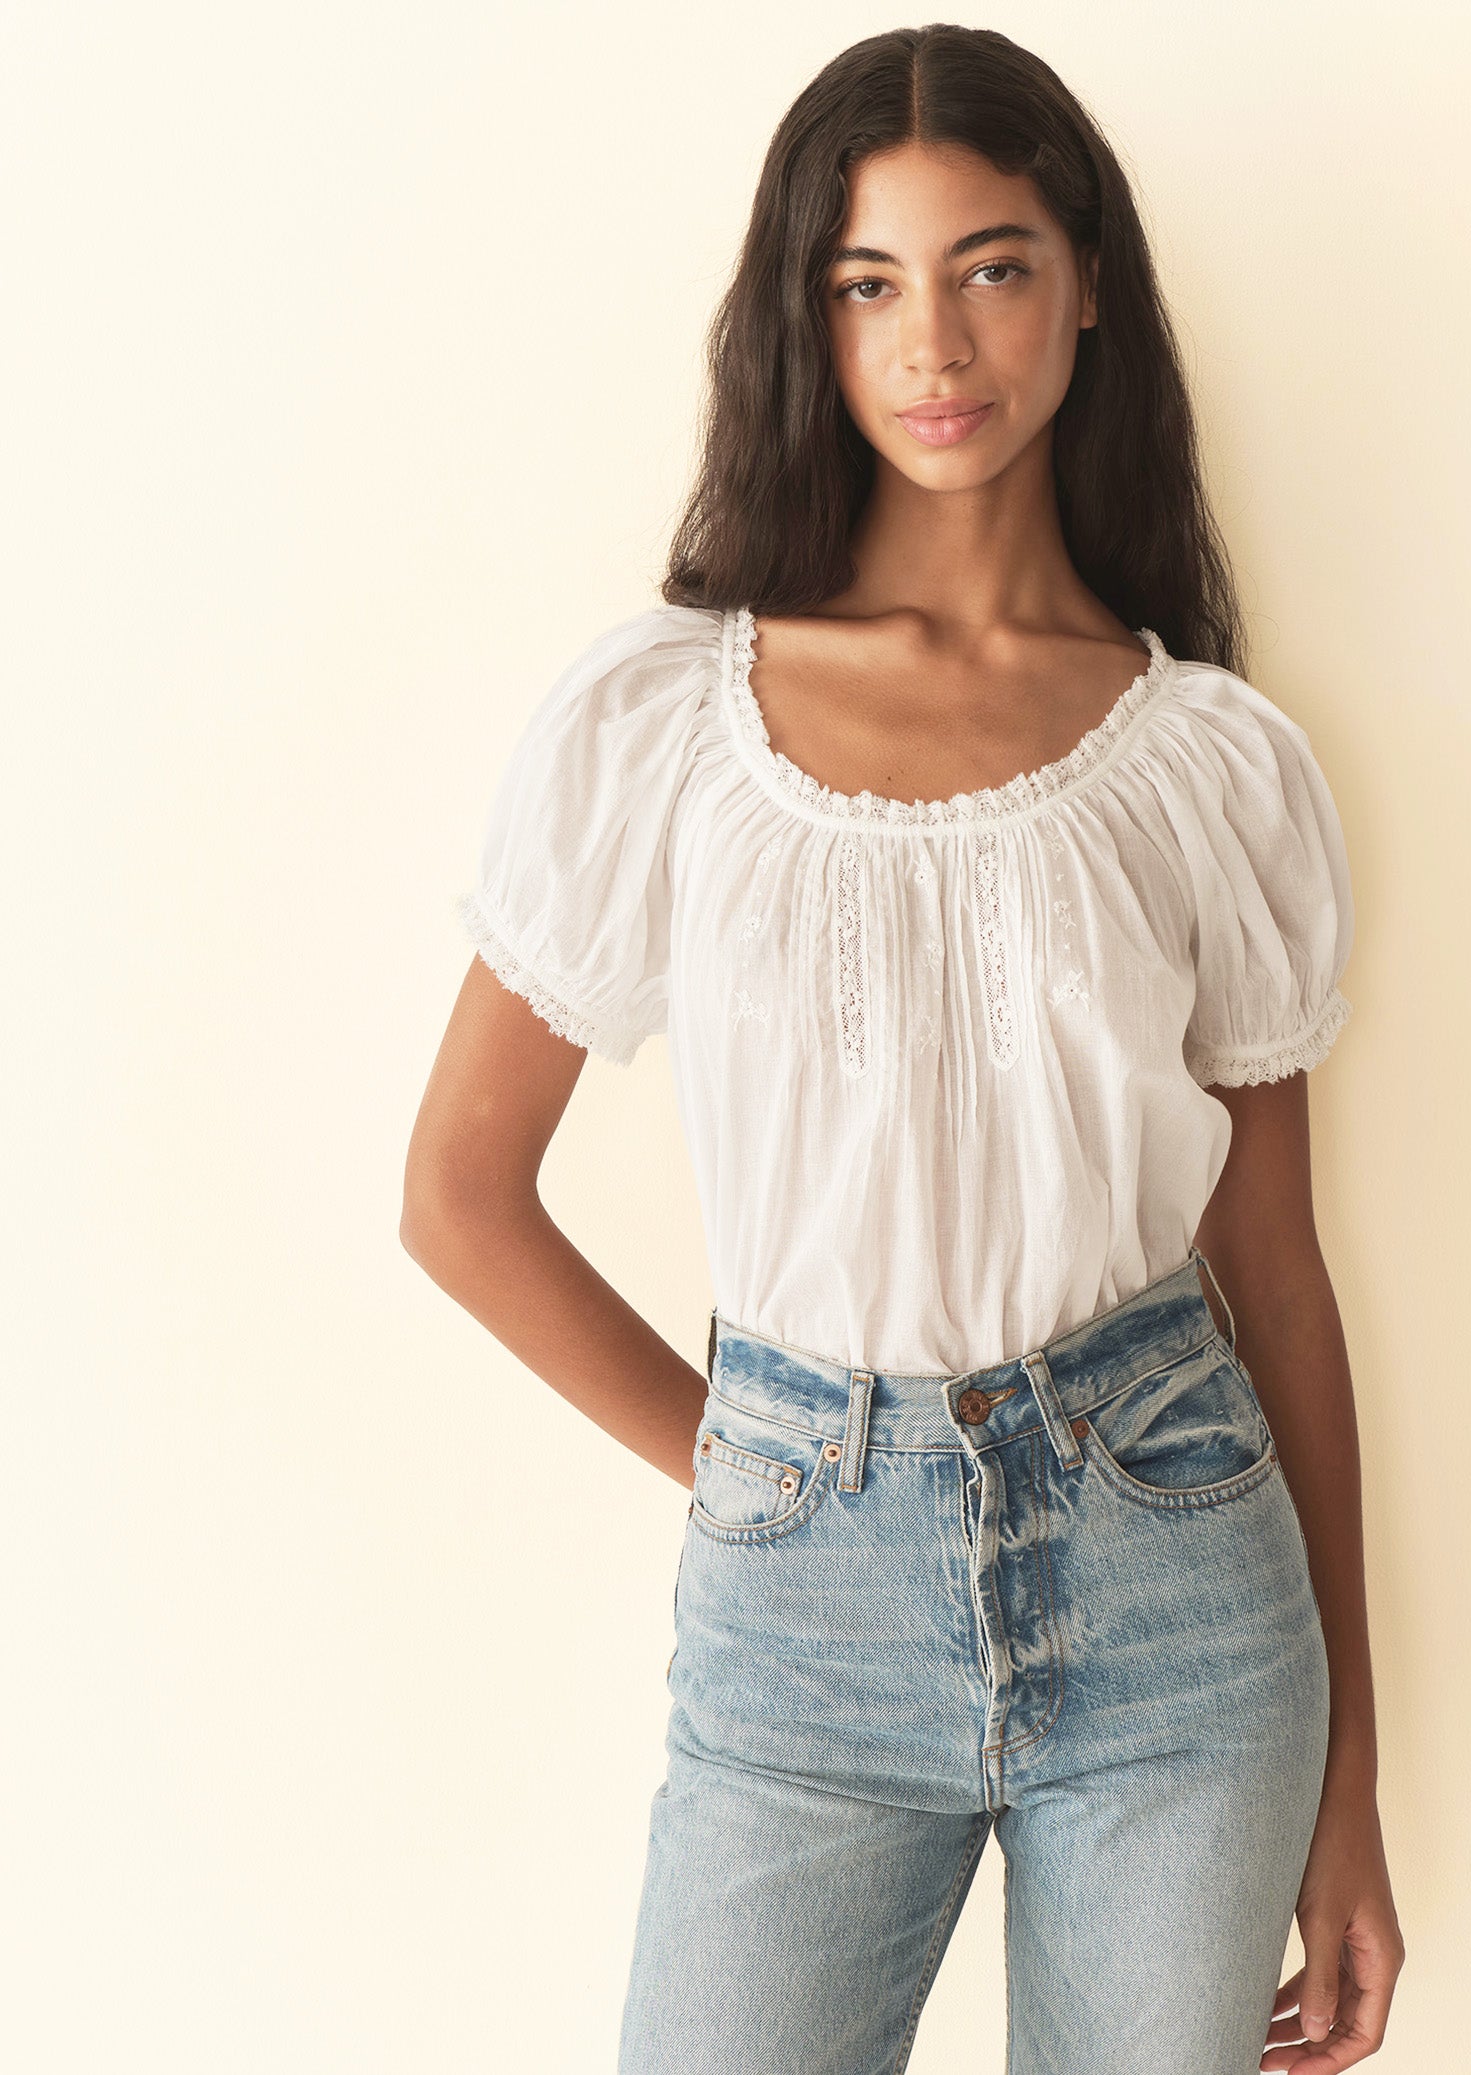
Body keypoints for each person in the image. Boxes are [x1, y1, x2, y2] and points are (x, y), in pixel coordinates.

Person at [402, 24, 1404, 2074]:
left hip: (1179, 1590)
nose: (934, 340)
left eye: (993, 264)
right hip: (802, 1613)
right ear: (808, 315)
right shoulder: (668, 724)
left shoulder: (1205, 761)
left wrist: (1353, 1790)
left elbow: (1278, 1274)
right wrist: (768, 1479)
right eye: (869, 282)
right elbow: (457, 1198)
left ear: (1089, 278)